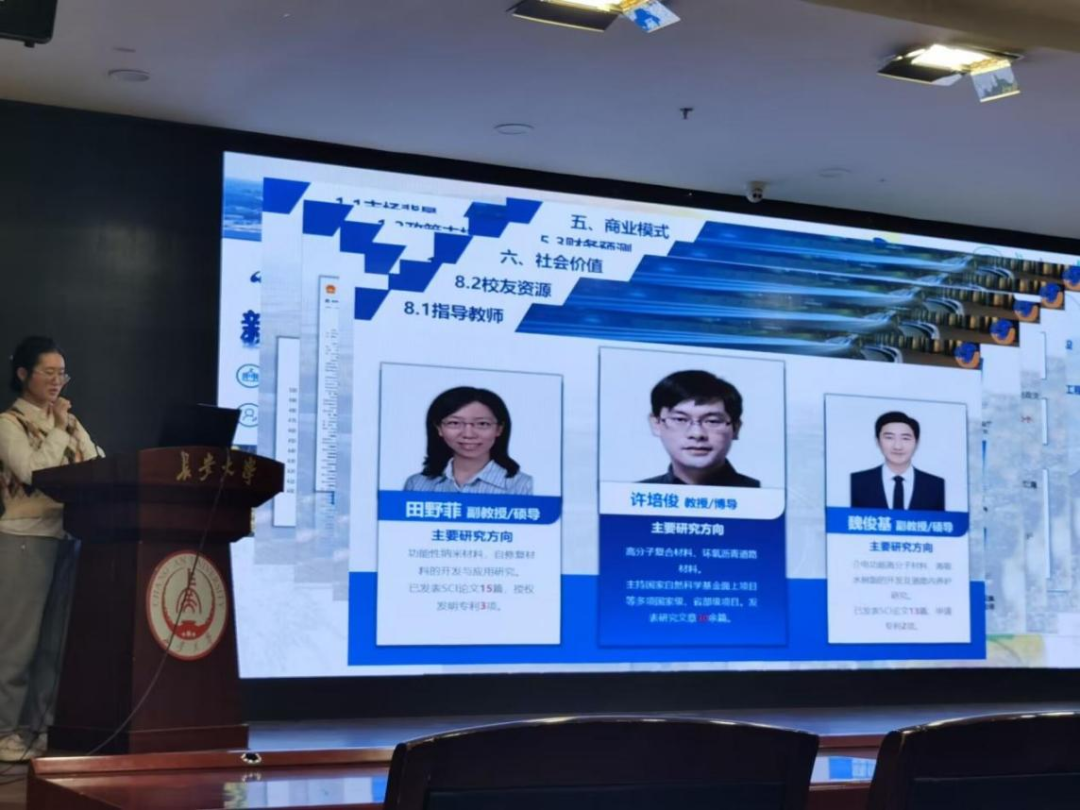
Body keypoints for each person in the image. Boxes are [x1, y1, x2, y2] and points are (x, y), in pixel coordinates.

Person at [0, 336, 100, 763]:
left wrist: (67, 426)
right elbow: (33, 471)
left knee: (53, 644)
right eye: (49, 372)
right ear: (24, 374)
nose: (57, 381)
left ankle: (39, 728)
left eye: (62, 373)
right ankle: (4, 731)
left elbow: (98, 463)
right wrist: (59, 428)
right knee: (17, 643)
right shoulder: (8, 423)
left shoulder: (70, 422)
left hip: (67, 535)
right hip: (25, 536)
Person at [403, 386, 533, 495]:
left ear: (499, 429)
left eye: (482, 424)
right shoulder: (417, 484)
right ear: (439, 428)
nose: (468, 434)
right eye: (454, 423)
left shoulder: (523, 485)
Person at [639, 370, 759, 487]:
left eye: (712, 421)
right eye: (680, 419)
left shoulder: (760, 492)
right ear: (656, 424)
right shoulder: (638, 493)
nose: (697, 434)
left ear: (736, 428)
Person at [850, 410, 945, 511]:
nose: (897, 446)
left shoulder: (937, 486)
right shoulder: (856, 482)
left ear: (917, 443)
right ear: (877, 441)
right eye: (889, 437)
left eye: (905, 438)